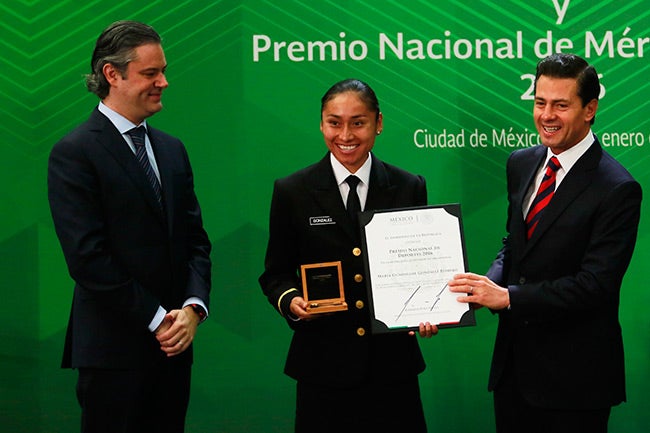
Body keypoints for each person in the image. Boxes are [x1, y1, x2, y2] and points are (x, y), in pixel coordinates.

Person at [449, 53, 642, 433]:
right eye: (540, 103)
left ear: (590, 109)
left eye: (560, 105)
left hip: (574, 383)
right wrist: (483, 286)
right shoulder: (521, 163)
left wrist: (507, 297)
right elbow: (515, 245)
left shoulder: (618, 188)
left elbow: (595, 286)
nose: (546, 115)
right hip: (514, 373)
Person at [47, 21, 211, 433]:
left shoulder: (172, 150)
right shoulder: (75, 152)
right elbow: (88, 259)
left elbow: (195, 242)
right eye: (151, 73)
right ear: (112, 74)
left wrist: (193, 309)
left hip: (173, 351)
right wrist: (158, 320)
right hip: (113, 355)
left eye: (163, 70)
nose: (164, 82)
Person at [259, 78, 437, 433]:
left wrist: (430, 308)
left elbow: (421, 270)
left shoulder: (408, 186)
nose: (346, 135)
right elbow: (275, 274)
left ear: (379, 123)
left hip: (392, 370)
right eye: (334, 122)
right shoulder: (293, 191)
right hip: (322, 368)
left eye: (358, 122)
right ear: (321, 123)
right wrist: (290, 300)